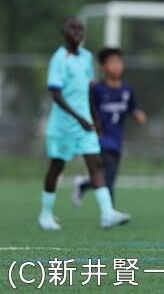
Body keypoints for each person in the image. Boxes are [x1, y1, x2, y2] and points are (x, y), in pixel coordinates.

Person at [40, 18, 131, 230]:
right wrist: (79, 118)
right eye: (72, 29)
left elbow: (88, 92)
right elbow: (55, 94)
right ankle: (45, 214)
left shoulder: (87, 57)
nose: (77, 32)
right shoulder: (59, 59)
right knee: (56, 167)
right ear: (63, 31)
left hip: (85, 125)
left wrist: (94, 118)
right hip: (63, 125)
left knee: (96, 164)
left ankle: (107, 213)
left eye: (80, 29)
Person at [73, 47, 147, 206]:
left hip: (117, 138)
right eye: (112, 63)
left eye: (118, 62)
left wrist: (138, 114)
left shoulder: (127, 88)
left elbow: (133, 107)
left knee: (106, 177)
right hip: (101, 138)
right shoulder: (97, 89)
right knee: (109, 176)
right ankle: (109, 212)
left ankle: (84, 184)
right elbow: (86, 108)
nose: (116, 66)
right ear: (103, 66)